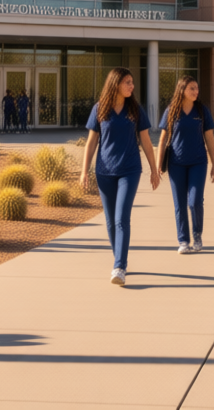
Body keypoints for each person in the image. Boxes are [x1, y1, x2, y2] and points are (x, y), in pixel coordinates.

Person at [80, 68, 159, 286]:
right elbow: (92, 142)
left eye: (132, 82)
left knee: (121, 218)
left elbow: (145, 141)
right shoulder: (100, 109)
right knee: (110, 220)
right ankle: (119, 259)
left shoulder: (135, 109)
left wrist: (154, 169)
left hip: (129, 170)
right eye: (128, 82)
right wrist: (84, 171)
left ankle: (119, 266)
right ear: (116, 84)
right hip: (104, 172)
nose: (132, 86)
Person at [157, 75, 214, 255]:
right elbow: (162, 140)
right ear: (182, 90)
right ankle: (183, 240)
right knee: (180, 204)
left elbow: (210, 138)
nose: (196, 91)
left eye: (197, 88)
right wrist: (157, 166)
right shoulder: (171, 111)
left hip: (198, 163)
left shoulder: (202, 111)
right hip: (176, 164)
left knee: (195, 201)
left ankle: (197, 235)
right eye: (192, 88)